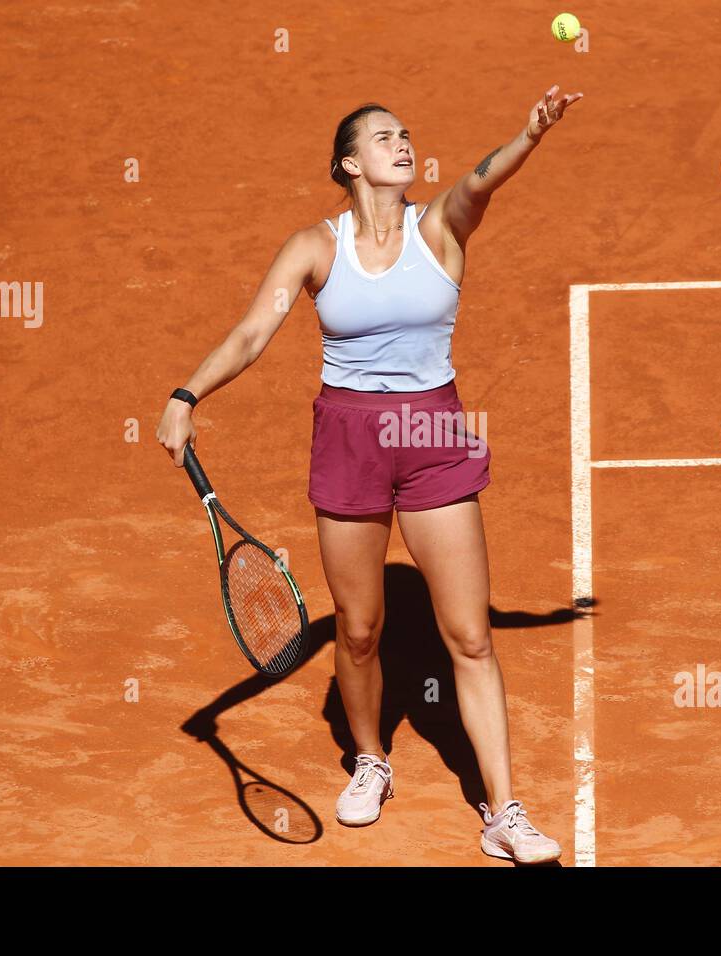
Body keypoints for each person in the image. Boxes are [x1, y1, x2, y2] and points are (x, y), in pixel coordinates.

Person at [157, 86, 582, 863]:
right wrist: (188, 394)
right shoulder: (313, 248)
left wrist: (529, 134)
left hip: (430, 432)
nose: (403, 144)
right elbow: (255, 331)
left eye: (407, 134)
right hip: (349, 439)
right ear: (351, 163)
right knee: (356, 632)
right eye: (383, 137)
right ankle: (370, 760)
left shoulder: (442, 225)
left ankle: (504, 812)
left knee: (471, 636)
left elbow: (483, 177)